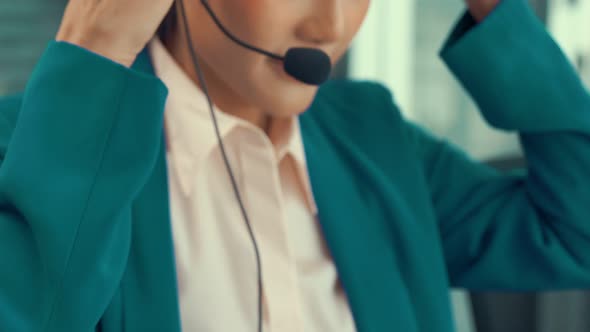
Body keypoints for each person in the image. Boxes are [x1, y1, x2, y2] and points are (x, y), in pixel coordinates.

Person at [1, 0, 589, 331]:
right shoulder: (34, 154)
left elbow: (578, 235)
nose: (331, 25)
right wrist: (94, 46)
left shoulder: (376, 140)